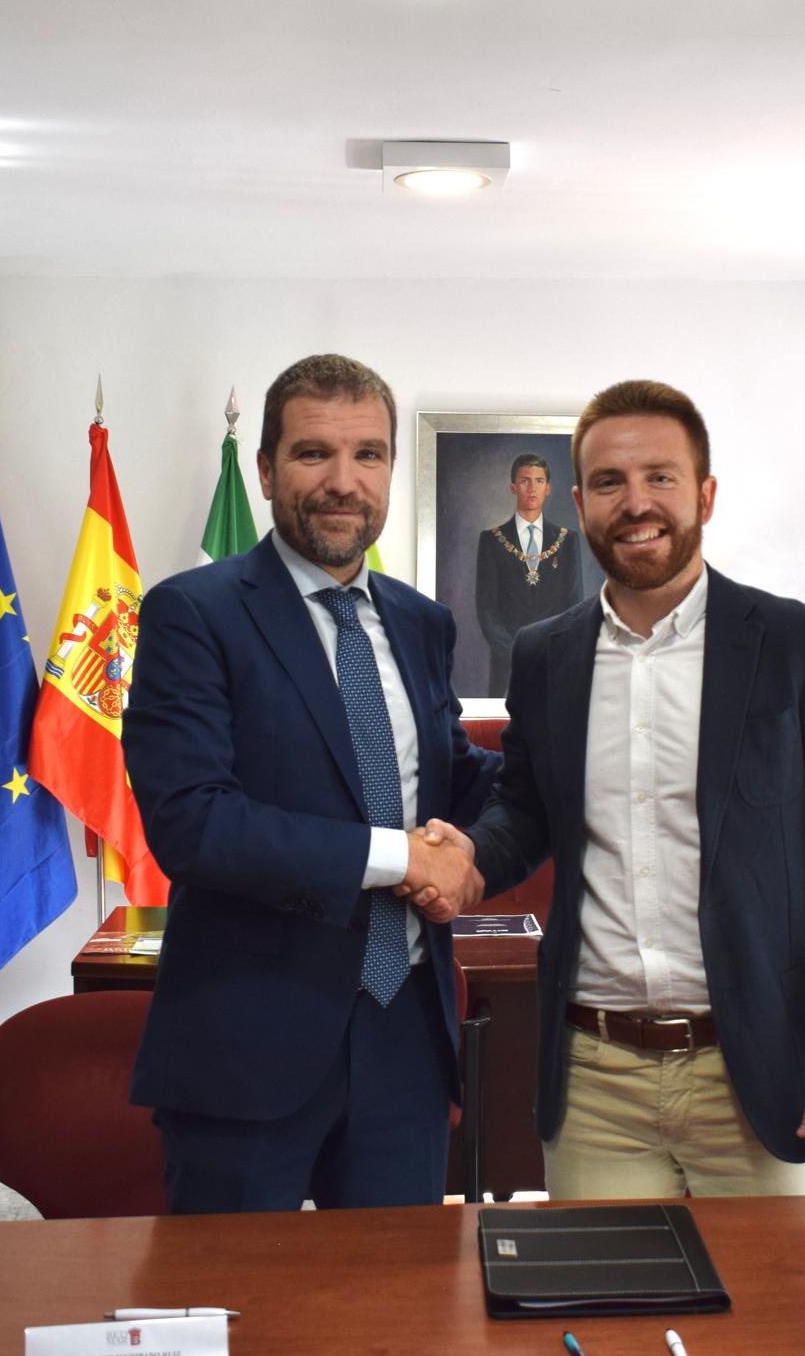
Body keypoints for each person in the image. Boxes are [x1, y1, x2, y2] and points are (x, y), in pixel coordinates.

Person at [411, 379, 805, 1199]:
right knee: (610, 1323)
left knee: (774, 1324)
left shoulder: (799, 649)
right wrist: (471, 854)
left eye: (661, 477)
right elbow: (529, 811)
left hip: (761, 1070)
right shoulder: (545, 656)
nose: (635, 502)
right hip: (595, 1077)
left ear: (706, 494)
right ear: (578, 504)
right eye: (609, 482)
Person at [124, 353, 498, 1214]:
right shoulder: (193, 614)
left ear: (391, 472)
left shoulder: (420, 621)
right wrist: (397, 854)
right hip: (249, 1039)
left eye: (368, 455)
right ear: (264, 469)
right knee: (233, 1314)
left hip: (406, 1035)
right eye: (312, 454)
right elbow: (193, 822)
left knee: (392, 1314)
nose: (343, 481)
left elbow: (452, 776)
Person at [473, 453, 586, 696]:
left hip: (554, 659)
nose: (532, 488)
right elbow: (487, 609)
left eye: (539, 481)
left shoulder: (567, 540)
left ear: (548, 488)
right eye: (525, 481)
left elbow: (574, 605)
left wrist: (556, 648)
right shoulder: (492, 540)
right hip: (507, 665)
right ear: (513, 487)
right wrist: (513, 652)